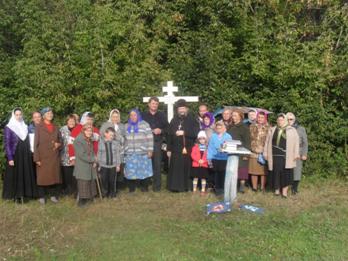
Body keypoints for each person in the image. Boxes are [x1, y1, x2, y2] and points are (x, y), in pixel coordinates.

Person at [3, 108, 38, 202]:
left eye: (20, 114)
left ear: (22, 115)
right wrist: (10, 158)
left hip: (25, 154)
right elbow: (7, 144)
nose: (18, 116)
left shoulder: (25, 126)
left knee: (24, 173)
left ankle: (24, 194)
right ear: (13, 115)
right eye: (17, 115)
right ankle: (15, 196)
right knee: (15, 175)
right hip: (15, 155)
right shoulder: (9, 127)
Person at [167, 99, 200, 192]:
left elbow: (196, 133)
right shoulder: (174, 120)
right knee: (176, 168)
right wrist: (168, 149)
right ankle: (175, 187)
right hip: (176, 149)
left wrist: (184, 132)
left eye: (183, 108)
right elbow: (169, 135)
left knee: (186, 168)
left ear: (187, 109)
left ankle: (186, 186)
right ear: (177, 110)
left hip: (188, 149)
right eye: (180, 108)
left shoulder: (192, 120)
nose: (182, 110)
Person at [264, 113, 299, 198]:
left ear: (285, 120)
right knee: (276, 173)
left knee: (286, 173)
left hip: (287, 156)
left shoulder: (292, 130)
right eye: (278, 120)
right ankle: (276, 190)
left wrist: (296, 153)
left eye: (282, 120)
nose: (280, 121)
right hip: (274, 155)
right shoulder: (272, 129)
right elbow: (267, 142)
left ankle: (284, 192)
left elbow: (296, 143)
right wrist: (265, 153)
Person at [33, 107, 62, 204]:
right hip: (43, 157)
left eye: (51, 113)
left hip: (54, 156)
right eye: (48, 113)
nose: (50, 114)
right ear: (44, 115)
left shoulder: (56, 127)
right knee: (42, 177)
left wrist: (58, 144)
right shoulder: (39, 127)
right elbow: (35, 144)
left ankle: (53, 196)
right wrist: (36, 158)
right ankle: (42, 196)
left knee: (53, 177)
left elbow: (60, 140)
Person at [142, 97, 168, 192]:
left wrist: (161, 130)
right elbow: (139, 127)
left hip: (157, 142)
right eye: (153, 103)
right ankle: (145, 186)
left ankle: (157, 187)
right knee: (145, 164)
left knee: (157, 165)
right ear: (149, 104)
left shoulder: (161, 115)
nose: (154, 105)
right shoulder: (143, 115)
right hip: (145, 143)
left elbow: (167, 128)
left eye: (156, 104)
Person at [124, 109, 154, 192]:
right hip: (130, 153)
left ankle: (144, 187)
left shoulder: (145, 124)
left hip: (142, 152)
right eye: (131, 115)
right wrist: (124, 149)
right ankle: (131, 188)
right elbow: (123, 139)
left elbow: (150, 137)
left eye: (135, 115)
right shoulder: (126, 126)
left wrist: (150, 150)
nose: (133, 117)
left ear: (138, 115)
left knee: (144, 170)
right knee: (130, 171)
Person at [100, 109, 126, 189]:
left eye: (117, 117)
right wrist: (115, 137)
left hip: (119, 150)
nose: (115, 118)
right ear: (110, 117)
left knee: (118, 167)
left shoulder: (121, 125)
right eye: (113, 117)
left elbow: (124, 138)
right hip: (108, 150)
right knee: (109, 169)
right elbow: (101, 135)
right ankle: (107, 188)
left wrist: (121, 140)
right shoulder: (105, 125)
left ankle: (117, 186)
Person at [73, 124, 98, 207]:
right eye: (87, 130)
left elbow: (92, 151)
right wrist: (93, 159)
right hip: (82, 166)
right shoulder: (78, 140)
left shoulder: (88, 139)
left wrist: (95, 160)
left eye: (91, 131)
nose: (89, 132)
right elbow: (82, 155)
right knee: (83, 183)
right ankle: (81, 202)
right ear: (83, 130)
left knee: (89, 182)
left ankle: (89, 198)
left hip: (89, 165)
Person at [227, 109, 251, 193]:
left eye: (235, 116)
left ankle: (242, 186)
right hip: (231, 150)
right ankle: (232, 185)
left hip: (242, 152)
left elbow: (247, 142)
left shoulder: (244, 128)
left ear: (240, 117)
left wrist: (246, 155)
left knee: (242, 170)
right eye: (232, 115)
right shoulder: (230, 126)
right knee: (232, 169)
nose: (233, 117)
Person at [207, 121, 232, 196]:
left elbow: (230, 147)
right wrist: (209, 158)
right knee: (216, 173)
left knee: (223, 173)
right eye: (217, 128)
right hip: (215, 158)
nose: (219, 130)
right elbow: (210, 148)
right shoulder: (213, 136)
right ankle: (217, 189)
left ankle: (223, 189)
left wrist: (224, 149)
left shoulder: (228, 136)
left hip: (224, 158)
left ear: (224, 128)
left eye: (220, 128)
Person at [286, 112, 308, 194]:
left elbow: (305, 142)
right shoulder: (283, 128)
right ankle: (286, 188)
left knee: (297, 171)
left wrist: (304, 154)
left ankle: (294, 189)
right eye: (287, 119)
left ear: (294, 120)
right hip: (287, 152)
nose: (289, 121)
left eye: (291, 119)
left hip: (298, 152)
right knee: (287, 171)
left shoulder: (301, 129)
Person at [249, 112, 270, 192]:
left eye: (262, 117)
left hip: (264, 152)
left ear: (265, 118)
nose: (260, 119)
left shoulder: (269, 127)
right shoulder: (251, 126)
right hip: (253, 152)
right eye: (259, 117)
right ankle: (254, 188)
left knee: (263, 172)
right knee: (253, 171)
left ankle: (262, 187)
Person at [97, 127, 121, 198]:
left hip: (113, 166)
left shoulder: (115, 143)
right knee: (104, 180)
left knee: (112, 180)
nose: (112, 137)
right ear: (105, 134)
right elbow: (99, 154)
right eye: (110, 135)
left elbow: (117, 154)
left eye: (113, 135)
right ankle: (105, 193)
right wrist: (99, 165)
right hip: (103, 166)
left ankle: (113, 194)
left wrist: (118, 165)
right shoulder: (101, 143)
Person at [60, 114, 77, 195]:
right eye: (69, 121)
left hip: (75, 156)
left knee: (74, 175)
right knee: (66, 175)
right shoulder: (62, 130)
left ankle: (74, 190)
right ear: (67, 121)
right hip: (65, 156)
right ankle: (66, 190)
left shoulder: (78, 129)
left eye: (73, 121)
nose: (71, 122)